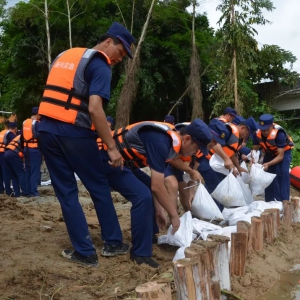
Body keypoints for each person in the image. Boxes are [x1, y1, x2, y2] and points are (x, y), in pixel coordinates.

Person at [37, 22, 135, 267]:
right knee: (99, 186)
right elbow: (94, 108)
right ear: (108, 41)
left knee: (66, 193)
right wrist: (112, 148)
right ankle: (112, 242)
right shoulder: (100, 64)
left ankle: (84, 252)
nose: (120, 59)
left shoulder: (64, 56)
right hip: (75, 133)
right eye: (121, 52)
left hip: (46, 130)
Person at [100, 119, 214, 267]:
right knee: (143, 197)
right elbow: (157, 187)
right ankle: (140, 254)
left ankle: (149, 235)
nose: (195, 153)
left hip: (126, 164)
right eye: (196, 148)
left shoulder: (171, 141)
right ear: (187, 139)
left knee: (148, 189)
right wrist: (173, 215)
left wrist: (160, 209)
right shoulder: (161, 141)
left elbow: (155, 184)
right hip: (106, 159)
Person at [253, 114, 293, 202]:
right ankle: (269, 201)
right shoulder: (257, 133)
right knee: (267, 174)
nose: (265, 132)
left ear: (272, 125)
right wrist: (253, 158)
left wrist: (268, 163)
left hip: (283, 153)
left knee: (283, 173)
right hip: (270, 152)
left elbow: (280, 156)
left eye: (267, 129)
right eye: (263, 129)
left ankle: (284, 201)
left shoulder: (279, 134)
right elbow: (255, 148)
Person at [23, 107, 42, 197]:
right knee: (35, 171)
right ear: (37, 113)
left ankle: (27, 191)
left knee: (27, 170)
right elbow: (40, 137)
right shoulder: (37, 123)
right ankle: (33, 192)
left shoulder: (25, 122)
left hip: (26, 149)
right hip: (34, 149)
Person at [0, 122, 18, 196]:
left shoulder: (2, 132)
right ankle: (8, 191)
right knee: (6, 173)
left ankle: (1, 189)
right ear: (15, 128)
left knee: (0, 172)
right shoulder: (10, 134)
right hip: (4, 154)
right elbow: (14, 144)